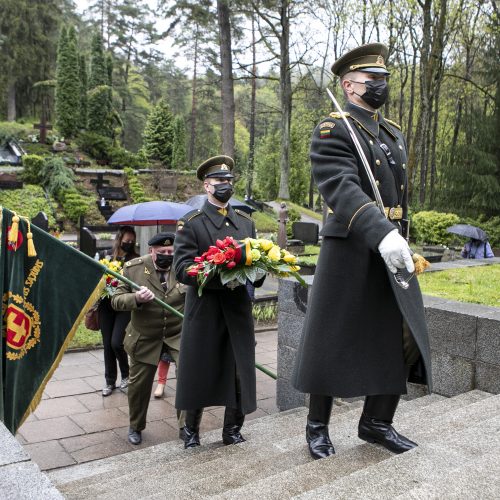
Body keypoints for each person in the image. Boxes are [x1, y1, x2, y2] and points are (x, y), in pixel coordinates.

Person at [292, 43, 432, 460]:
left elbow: (396, 193)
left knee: (401, 334)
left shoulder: (390, 131)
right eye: (373, 81)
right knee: (331, 337)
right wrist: (382, 232)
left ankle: (376, 423)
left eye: (384, 79)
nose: (381, 86)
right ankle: (317, 426)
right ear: (349, 85)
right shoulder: (333, 129)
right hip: (352, 246)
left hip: (391, 247)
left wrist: (400, 236)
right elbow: (341, 186)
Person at [173, 155, 264, 449]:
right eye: (219, 181)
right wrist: (218, 271)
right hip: (206, 309)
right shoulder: (192, 224)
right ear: (206, 186)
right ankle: (190, 430)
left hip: (238, 309)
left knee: (239, 369)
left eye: (229, 181)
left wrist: (259, 270)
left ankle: (233, 429)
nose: (225, 186)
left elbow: (256, 262)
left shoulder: (246, 224)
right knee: (200, 368)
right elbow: (181, 269)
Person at [111, 232, 186, 445]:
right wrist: (136, 298)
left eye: (171, 252)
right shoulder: (134, 268)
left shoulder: (183, 266)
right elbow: (116, 300)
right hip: (145, 336)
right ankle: (135, 425)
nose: (167, 255)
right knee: (139, 386)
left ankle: (185, 426)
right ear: (151, 251)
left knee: (188, 378)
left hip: (176, 334)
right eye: (161, 252)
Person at [99, 226, 139, 397]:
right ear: (119, 239)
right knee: (107, 344)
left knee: (117, 343)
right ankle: (109, 381)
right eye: (126, 241)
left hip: (123, 304)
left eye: (132, 241)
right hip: (106, 304)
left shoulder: (136, 259)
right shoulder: (105, 255)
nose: (129, 244)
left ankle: (126, 375)